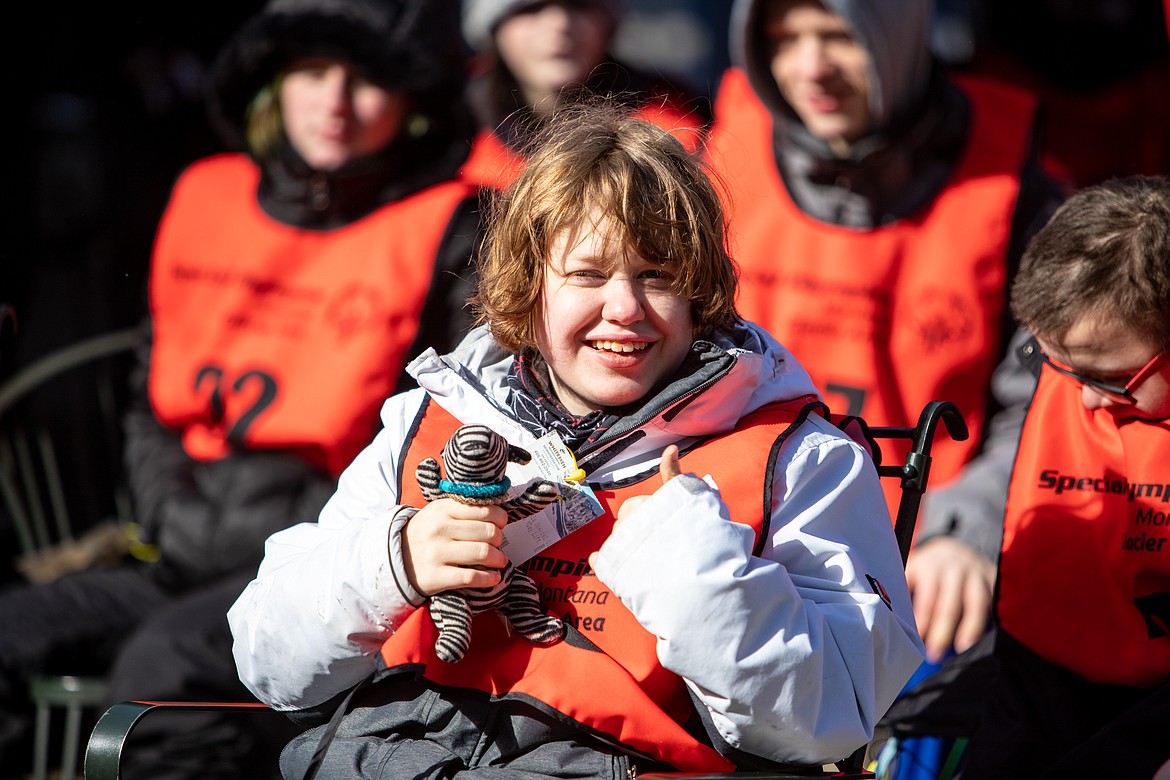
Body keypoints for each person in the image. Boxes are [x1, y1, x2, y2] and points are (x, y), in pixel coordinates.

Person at [228, 101, 925, 778]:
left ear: (700, 292)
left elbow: (833, 722)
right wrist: (393, 561)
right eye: (587, 274)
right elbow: (268, 663)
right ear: (531, 286)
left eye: (658, 275)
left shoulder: (798, 459)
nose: (624, 309)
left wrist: (700, 578)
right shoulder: (430, 420)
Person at [0, 0, 480, 777]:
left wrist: (276, 536)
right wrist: (165, 509)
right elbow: (149, 391)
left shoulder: (454, 225)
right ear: (271, 84)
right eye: (313, 72)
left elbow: (442, 435)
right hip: (177, 541)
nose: (334, 102)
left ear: (414, 103)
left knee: (161, 682)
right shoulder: (205, 192)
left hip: (322, 562)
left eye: (366, 81)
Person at [704, 0, 1065, 669]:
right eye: (784, 40)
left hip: (927, 570)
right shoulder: (712, 161)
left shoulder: (1019, 195)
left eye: (838, 35)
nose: (811, 68)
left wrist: (972, 527)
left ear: (896, 30)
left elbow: (1050, 400)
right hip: (733, 551)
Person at [960, 175, 1170, 778]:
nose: (1083, 399)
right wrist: (961, 534)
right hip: (1030, 678)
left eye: (1109, 379)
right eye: (1057, 365)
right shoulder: (1068, 359)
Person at [458, 0, 712, 188]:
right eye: (531, 9)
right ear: (494, 31)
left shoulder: (681, 129)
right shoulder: (448, 143)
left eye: (579, 5)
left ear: (608, 26)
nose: (560, 24)